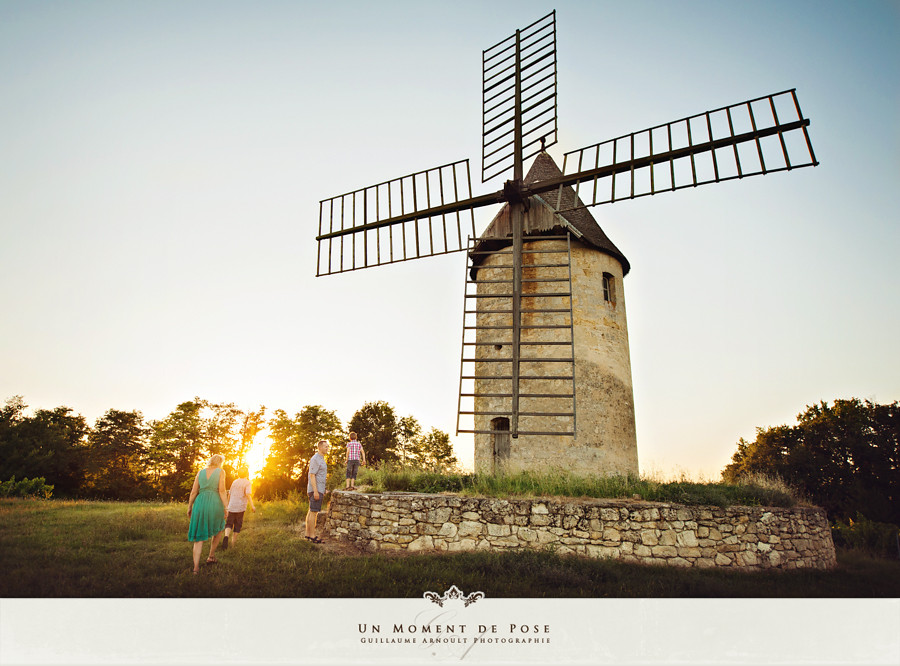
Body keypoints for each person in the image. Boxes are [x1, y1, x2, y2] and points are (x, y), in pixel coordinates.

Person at [187, 453, 228, 574]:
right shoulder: (221, 472)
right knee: (219, 528)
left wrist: (190, 506)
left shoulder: (200, 472)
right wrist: (226, 507)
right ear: (220, 463)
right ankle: (211, 556)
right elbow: (221, 490)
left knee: (199, 537)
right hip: (215, 503)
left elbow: (194, 492)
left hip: (200, 503)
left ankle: (195, 568)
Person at [222, 465, 256, 549]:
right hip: (240, 507)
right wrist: (252, 505)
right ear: (247, 474)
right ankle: (233, 544)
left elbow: (229, 494)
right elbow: (248, 495)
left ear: (238, 474)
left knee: (229, 523)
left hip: (232, 506)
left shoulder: (234, 482)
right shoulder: (247, 482)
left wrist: (227, 505)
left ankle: (226, 536)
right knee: (237, 524)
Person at [305, 439, 330, 544]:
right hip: (315, 490)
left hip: (319, 489)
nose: (327, 448)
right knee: (314, 512)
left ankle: (307, 534)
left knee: (311, 511)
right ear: (320, 447)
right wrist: (316, 491)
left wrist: (323, 489)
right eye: (326, 446)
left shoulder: (321, 459)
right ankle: (312, 536)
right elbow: (312, 475)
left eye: (328, 446)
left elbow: (320, 475)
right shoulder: (315, 458)